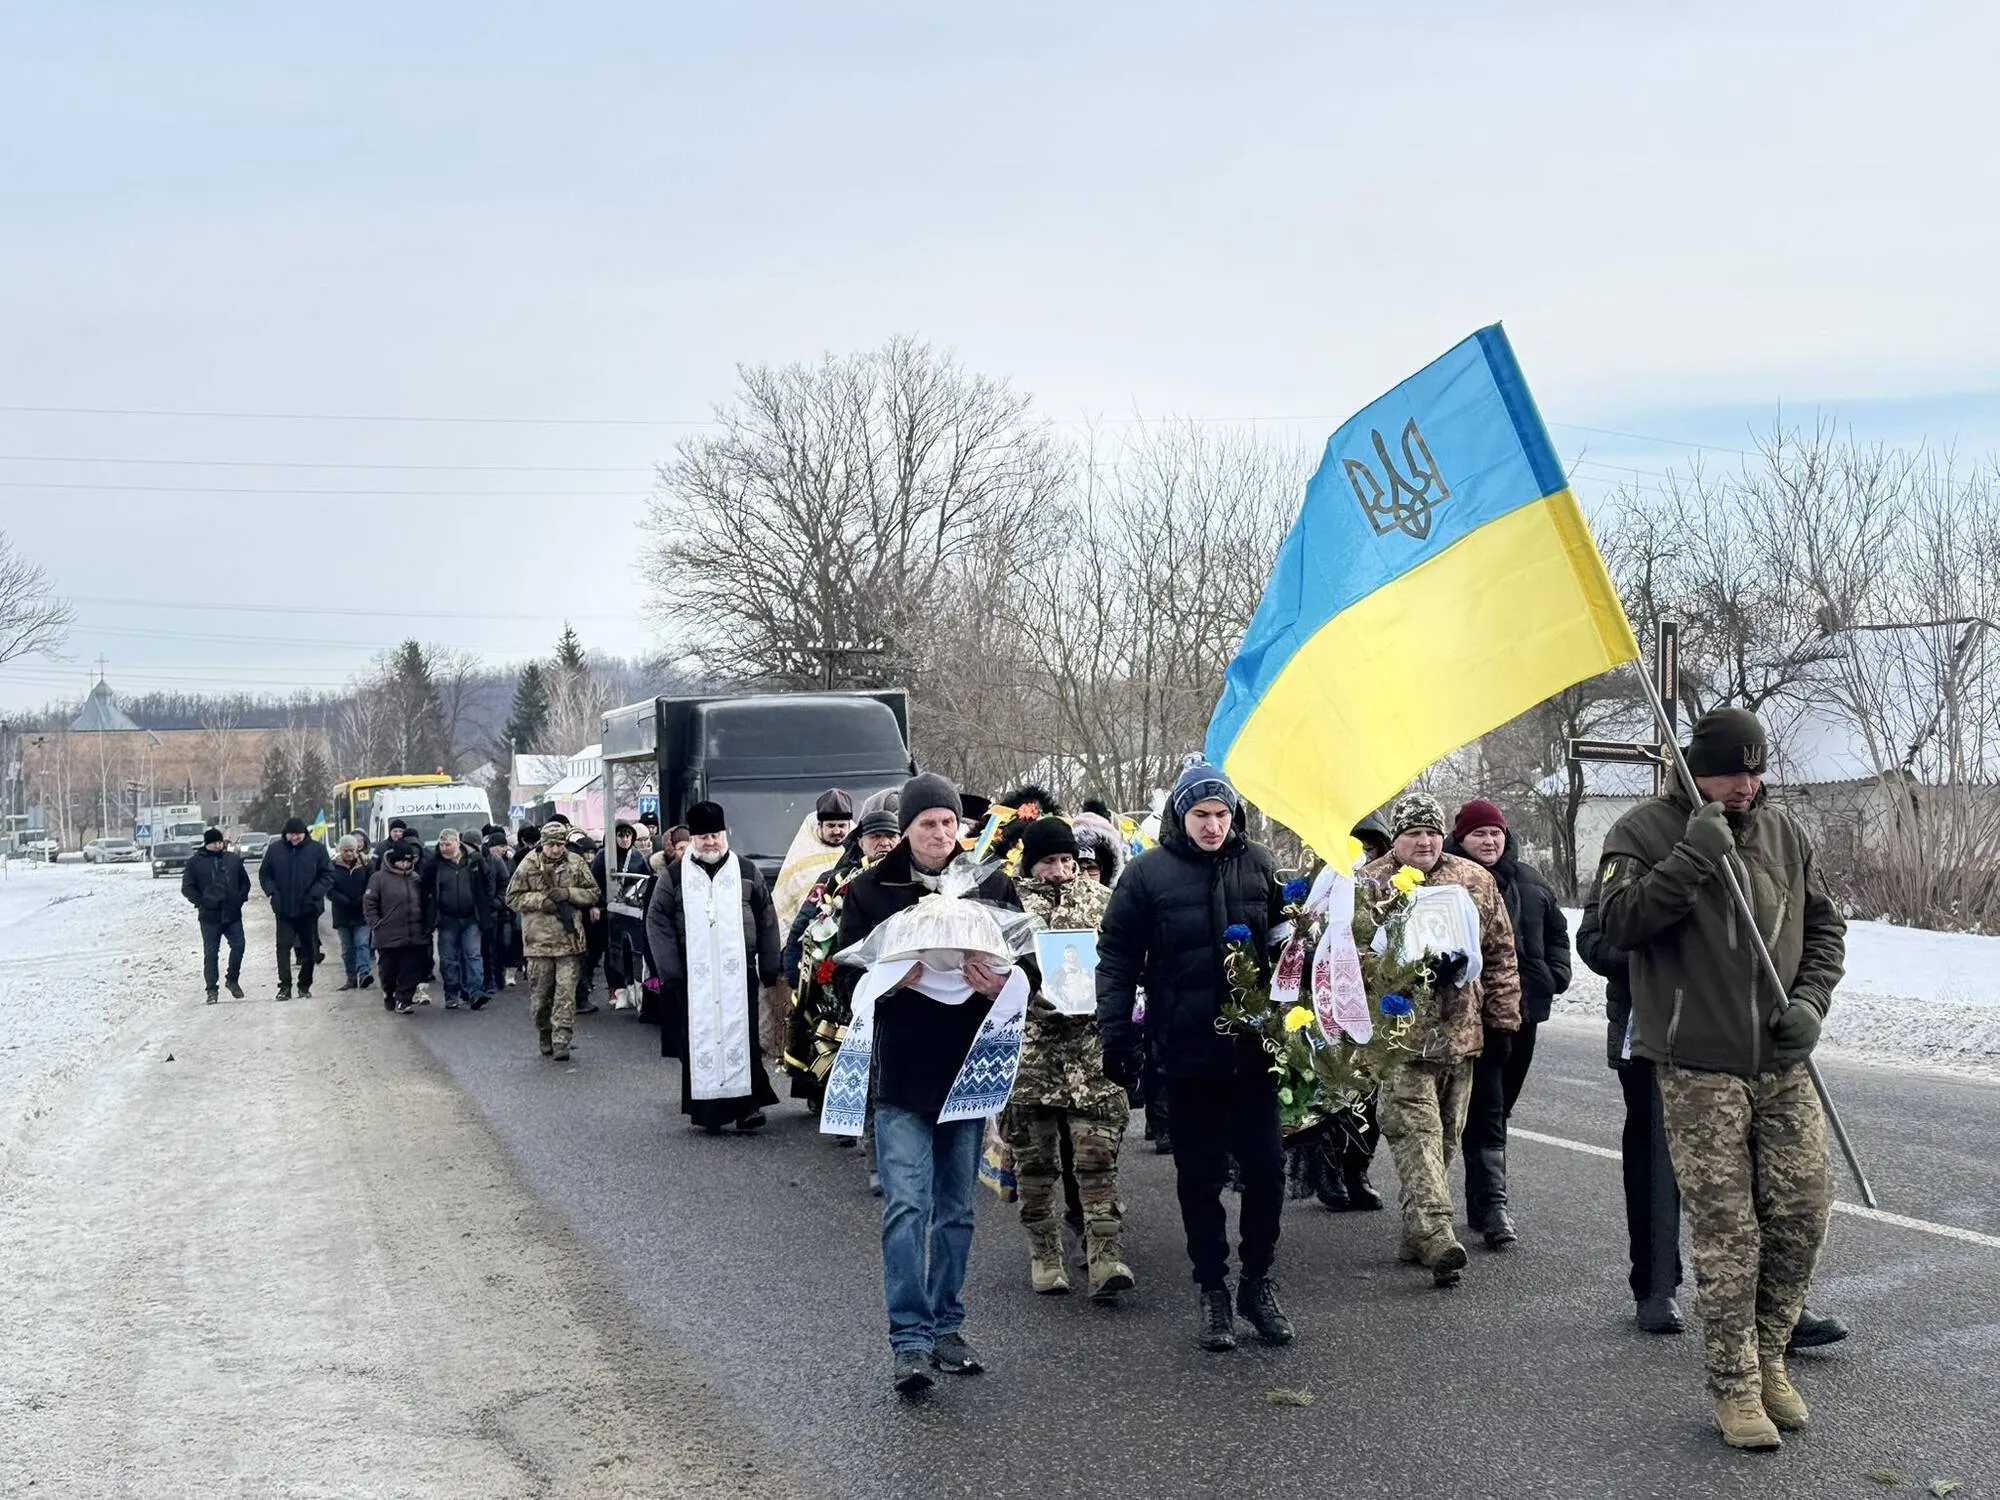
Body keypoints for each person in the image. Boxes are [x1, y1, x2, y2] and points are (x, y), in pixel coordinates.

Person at [1597, 707, 1846, 1451]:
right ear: (1695, 766)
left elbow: (1827, 926)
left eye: (1757, 769)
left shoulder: (1786, 833)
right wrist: (1690, 859)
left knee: (1804, 1210)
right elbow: (1617, 924)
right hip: (1697, 1061)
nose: (1747, 784)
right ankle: (1734, 1384)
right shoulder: (1641, 831)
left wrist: (1810, 1001)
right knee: (1728, 1231)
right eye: (1733, 770)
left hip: (1780, 1057)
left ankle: (1770, 1355)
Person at [833, 773, 1028, 1397]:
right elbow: (841, 976)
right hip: (903, 1070)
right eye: (928, 825)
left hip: (969, 1068)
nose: (941, 835)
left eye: (949, 823)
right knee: (906, 1206)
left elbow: (1029, 969)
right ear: (907, 829)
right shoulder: (870, 891)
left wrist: (1005, 987)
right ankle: (909, 1341)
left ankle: (948, 1326)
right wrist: (892, 979)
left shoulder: (992, 885)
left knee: (957, 1209)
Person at [1097, 760, 1293, 1352]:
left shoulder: (1259, 865)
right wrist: (1117, 1036)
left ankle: (1258, 1283)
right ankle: (1213, 1292)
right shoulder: (1147, 874)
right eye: (1201, 814)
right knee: (1199, 1177)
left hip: (1254, 1051)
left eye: (1222, 813)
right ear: (1181, 815)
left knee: (1265, 1171)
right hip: (1185, 1050)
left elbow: (1289, 949)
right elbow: (1117, 958)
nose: (1212, 824)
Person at [1361, 792, 1521, 1288]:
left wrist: (1503, 1021)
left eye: (1431, 832)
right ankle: (1436, 1235)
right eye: (1413, 834)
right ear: (1397, 839)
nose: (1424, 842)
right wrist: (1399, 969)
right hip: (1400, 1040)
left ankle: (1416, 1232)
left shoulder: (1473, 879)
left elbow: (1499, 953)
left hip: (1460, 1035)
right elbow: (1350, 958)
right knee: (1417, 1137)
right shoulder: (1370, 884)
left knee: (1446, 1141)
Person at [1004, 816, 1133, 1301]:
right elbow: (992, 969)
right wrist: (1025, 992)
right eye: (1047, 861)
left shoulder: (1101, 900)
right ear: (1029, 862)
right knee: (1034, 1167)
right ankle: (1045, 1254)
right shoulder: (1008, 905)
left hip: (1090, 1054)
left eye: (1065, 860)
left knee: (1097, 1161)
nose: (1058, 870)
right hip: (1030, 1056)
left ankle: (1105, 1256)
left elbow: (1124, 958)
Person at [1447, 797, 1571, 1250]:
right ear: (1461, 838)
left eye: (1495, 832)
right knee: (1489, 1105)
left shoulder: (1531, 882)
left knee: (1502, 1106)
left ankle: (1481, 1200)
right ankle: (1495, 1206)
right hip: (1472, 1014)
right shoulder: (1447, 881)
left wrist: (1554, 976)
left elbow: (1558, 934)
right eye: (1479, 833)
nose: (1489, 840)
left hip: (1526, 1011)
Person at [645, 801, 783, 1133]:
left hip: (739, 974)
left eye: (716, 835)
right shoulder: (674, 876)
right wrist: (671, 972)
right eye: (704, 836)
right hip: (694, 977)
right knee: (701, 1041)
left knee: (744, 1038)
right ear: (692, 838)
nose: (711, 842)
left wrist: (770, 963)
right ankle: (709, 1113)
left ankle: (748, 1108)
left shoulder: (747, 871)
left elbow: (766, 918)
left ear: (726, 835)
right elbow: (657, 920)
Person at [781, 807, 902, 1110]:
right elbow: (806, 925)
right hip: (842, 977)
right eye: (876, 837)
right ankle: (840, 1108)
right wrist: (798, 972)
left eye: (891, 836)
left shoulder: (911, 878)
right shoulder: (834, 880)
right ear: (860, 841)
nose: (884, 844)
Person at [769, 790, 857, 1059]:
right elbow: (789, 906)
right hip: (814, 956)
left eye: (842, 826)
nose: (837, 832)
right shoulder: (802, 856)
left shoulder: (857, 853)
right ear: (819, 825)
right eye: (831, 826)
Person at [506, 823, 601, 1061]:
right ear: (542, 844)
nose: (556, 850)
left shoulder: (576, 863)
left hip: (569, 941)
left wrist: (569, 894)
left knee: (565, 995)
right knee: (540, 999)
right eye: (551, 845)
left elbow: (593, 892)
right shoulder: (529, 865)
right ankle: (545, 1032)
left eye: (560, 845)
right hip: (538, 943)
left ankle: (562, 1040)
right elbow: (512, 898)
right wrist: (541, 901)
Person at [259, 817, 333, 1001]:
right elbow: (265, 874)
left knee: (309, 950)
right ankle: (284, 986)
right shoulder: (275, 850)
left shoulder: (317, 850)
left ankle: (304, 985)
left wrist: (314, 894)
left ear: (304, 833)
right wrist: (273, 893)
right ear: (286, 834)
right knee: (282, 947)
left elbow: (327, 875)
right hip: (283, 908)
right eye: (291, 834)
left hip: (308, 908)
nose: (295, 837)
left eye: (298, 834)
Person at [425, 829, 494, 1011]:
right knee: (448, 959)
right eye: (441, 844)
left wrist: (487, 903)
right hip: (447, 919)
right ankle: (451, 994)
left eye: (448, 844)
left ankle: (475, 992)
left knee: (473, 954)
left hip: (471, 917)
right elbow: (427, 890)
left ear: (457, 843)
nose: (444, 848)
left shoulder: (474, 860)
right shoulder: (434, 865)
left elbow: (488, 882)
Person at [182, 828, 249, 1002]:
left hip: (232, 913)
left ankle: (232, 979)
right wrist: (202, 901)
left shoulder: (232, 860)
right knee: (211, 953)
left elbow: (244, 883)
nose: (219, 845)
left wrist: (239, 899)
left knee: (239, 945)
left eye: (220, 842)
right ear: (207, 843)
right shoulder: (195, 863)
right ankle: (212, 989)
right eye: (215, 842)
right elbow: (187, 887)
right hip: (209, 916)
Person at [365, 839, 430, 1014]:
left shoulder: (415, 878)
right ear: (393, 859)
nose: (405, 864)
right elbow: (369, 903)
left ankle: (404, 999)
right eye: (402, 860)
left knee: (410, 969)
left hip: (413, 934)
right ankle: (389, 992)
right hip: (387, 934)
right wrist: (376, 923)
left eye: (409, 861)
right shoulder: (378, 878)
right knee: (388, 970)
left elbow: (424, 902)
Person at [596, 822, 650, 1011]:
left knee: (626, 949)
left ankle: (628, 988)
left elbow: (646, 880)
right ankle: (615, 989)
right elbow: (594, 882)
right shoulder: (604, 855)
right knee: (610, 951)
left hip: (629, 908)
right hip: (607, 909)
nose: (625, 839)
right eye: (621, 835)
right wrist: (598, 904)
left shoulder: (637, 856)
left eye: (628, 835)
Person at [327, 836, 376, 992]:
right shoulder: (332, 866)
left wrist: (363, 898)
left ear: (357, 850)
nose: (349, 854)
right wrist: (342, 899)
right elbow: (328, 888)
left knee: (362, 943)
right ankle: (351, 977)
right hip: (342, 913)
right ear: (340, 850)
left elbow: (373, 884)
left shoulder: (367, 864)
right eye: (345, 850)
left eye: (352, 850)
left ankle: (363, 973)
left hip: (362, 912)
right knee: (347, 948)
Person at [480, 831, 517, 994]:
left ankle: (501, 974)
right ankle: (493, 978)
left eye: (504, 846)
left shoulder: (510, 862)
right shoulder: (485, 861)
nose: (503, 849)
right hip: (493, 913)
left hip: (506, 912)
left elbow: (509, 884)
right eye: (499, 846)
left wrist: (499, 902)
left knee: (505, 944)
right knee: (490, 947)